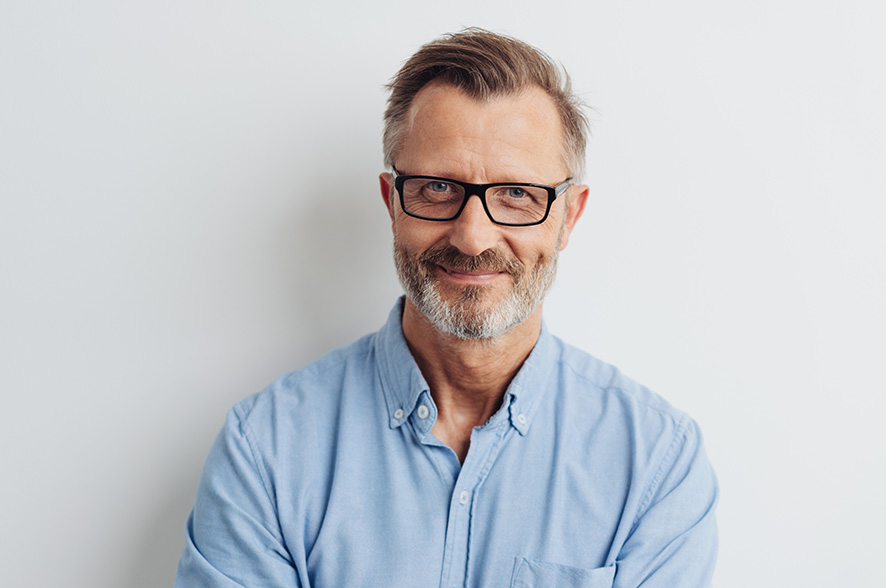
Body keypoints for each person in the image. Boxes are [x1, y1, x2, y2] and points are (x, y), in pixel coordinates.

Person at [175, 28, 718, 588]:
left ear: (569, 217)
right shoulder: (266, 450)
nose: (472, 236)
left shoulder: (655, 464)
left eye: (517, 194)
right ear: (392, 202)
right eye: (437, 188)